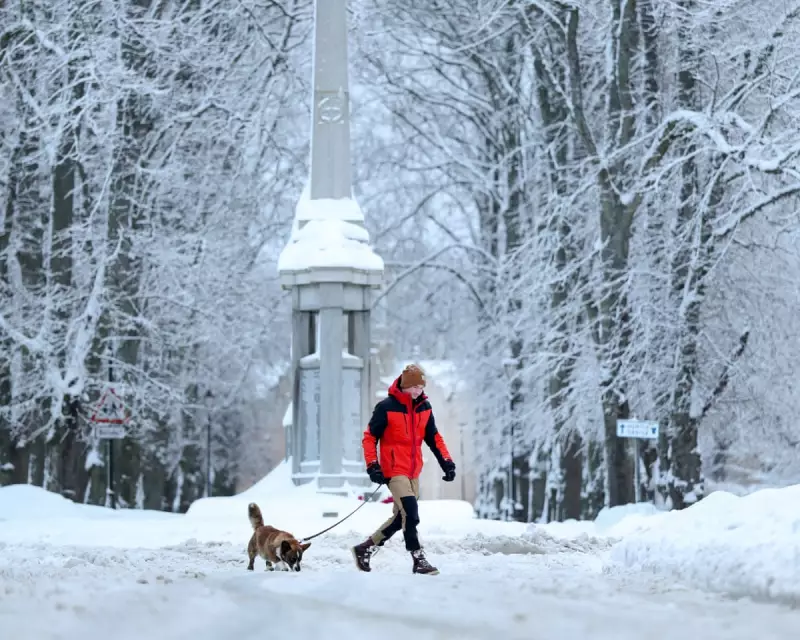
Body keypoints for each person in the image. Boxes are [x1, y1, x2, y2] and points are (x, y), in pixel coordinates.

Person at [351, 363, 457, 575]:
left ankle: (365, 548)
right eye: (415, 386)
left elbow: (433, 437)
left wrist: (447, 462)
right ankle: (419, 559)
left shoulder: (424, 408)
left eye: (421, 386)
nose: (419, 390)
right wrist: (373, 465)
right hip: (393, 469)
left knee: (402, 517)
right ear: (404, 386)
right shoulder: (386, 407)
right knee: (411, 512)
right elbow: (370, 437)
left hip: (413, 470)